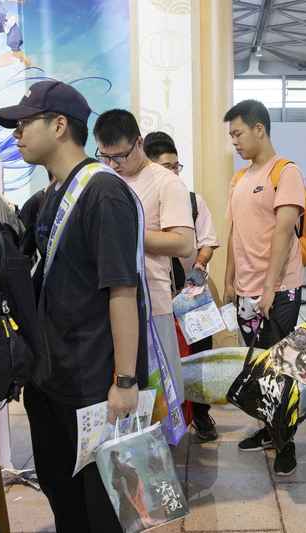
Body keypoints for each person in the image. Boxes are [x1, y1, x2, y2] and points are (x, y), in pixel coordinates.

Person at [0, 80, 147, 532]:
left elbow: (122, 291)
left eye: (24, 123)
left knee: (106, 511)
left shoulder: (103, 193)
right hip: (52, 380)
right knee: (65, 501)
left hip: (94, 386)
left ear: (59, 125)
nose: (16, 134)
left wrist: (124, 379)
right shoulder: (52, 194)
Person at [223, 99, 305, 476]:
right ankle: (268, 430)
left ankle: (286, 443)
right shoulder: (239, 179)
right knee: (257, 366)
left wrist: (269, 288)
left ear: (259, 129)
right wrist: (229, 281)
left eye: (238, 133)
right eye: (231, 136)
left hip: (279, 290)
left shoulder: (285, 172)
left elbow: (285, 232)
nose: (234, 142)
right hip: (245, 290)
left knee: (280, 370)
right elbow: (235, 232)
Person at [93, 110, 194, 409]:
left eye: (120, 156)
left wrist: (127, 234)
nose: (113, 164)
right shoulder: (105, 178)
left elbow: (184, 243)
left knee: (157, 398)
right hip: (111, 303)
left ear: (139, 143)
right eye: (105, 156)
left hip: (153, 306)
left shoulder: (165, 182)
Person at [143, 131, 221, 442]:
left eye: (177, 166)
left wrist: (200, 263)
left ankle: (201, 415)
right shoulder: (143, 201)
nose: (173, 173)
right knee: (163, 361)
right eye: (166, 167)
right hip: (159, 297)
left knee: (199, 357)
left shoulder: (193, 201)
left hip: (191, 296)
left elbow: (207, 242)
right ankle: (164, 420)